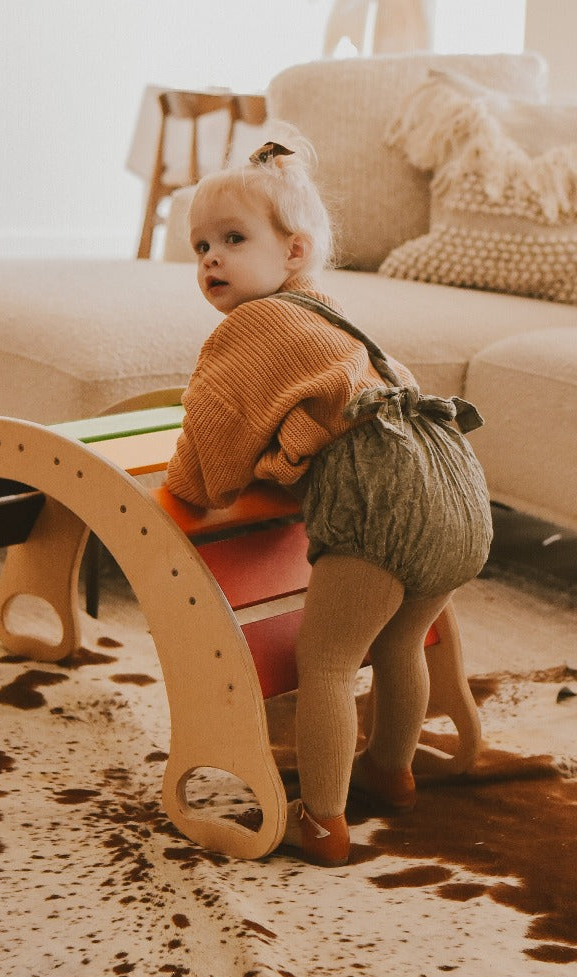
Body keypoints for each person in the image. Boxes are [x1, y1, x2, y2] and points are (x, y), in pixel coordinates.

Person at [165, 137, 493, 866]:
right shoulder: (330, 317)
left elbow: (207, 462)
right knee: (402, 640)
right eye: (199, 246)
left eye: (232, 240)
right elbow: (320, 410)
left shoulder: (249, 328)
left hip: (383, 501)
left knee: (328, 661)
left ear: (293, 251)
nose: (210, 259)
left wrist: (197, 480)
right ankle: (391, 771)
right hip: (457, 491)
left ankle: (322, 820)